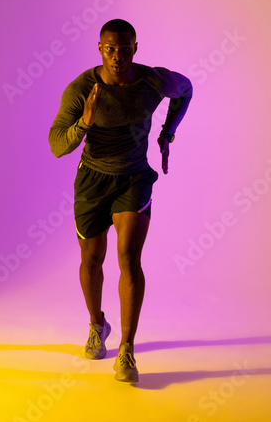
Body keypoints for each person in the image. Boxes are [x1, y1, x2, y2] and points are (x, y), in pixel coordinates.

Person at [48, 19, 192, 383]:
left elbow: (186, 89)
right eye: (110, 48)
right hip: (93, 180)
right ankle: (98, 324)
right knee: (92, 258)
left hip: (133, 178)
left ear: (135, 48)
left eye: (125, 48)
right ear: (99, 48)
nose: (117, 56)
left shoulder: (153, 81)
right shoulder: (82, 88)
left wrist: (168, 132)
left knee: (128, 256)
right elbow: (56, 146)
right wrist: (84, 122)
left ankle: (126, 350)